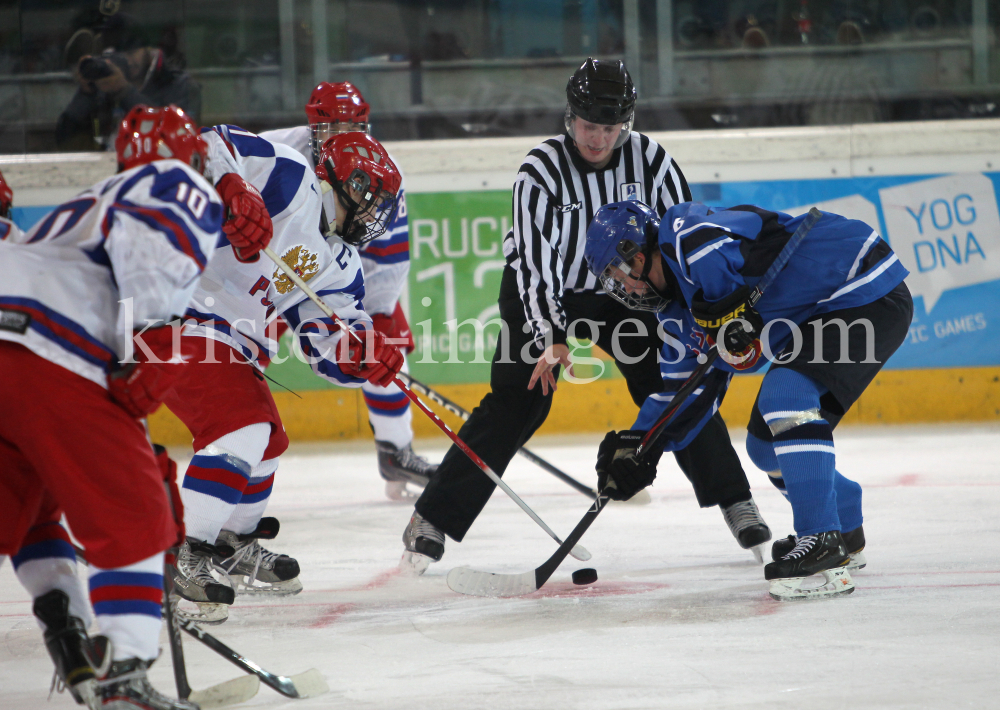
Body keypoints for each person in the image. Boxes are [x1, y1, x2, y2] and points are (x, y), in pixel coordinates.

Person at [401, 58, 771, 573]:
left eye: (609, 127)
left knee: (672, 387)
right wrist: (550, 335)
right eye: (588, 125)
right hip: (548, 293)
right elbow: (532, 263)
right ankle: (432, 518)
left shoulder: (652, 162)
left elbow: (686, 241)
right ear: (569, 117)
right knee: (517, 401)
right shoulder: (540, 170)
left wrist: (696, 318)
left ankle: (734, 499)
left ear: (627, 123)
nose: (597, 138)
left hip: (627, 294)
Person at [0, 104, 222, 709]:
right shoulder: (175, 182)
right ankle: (123, 673)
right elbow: (154, 248)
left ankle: (66, 629)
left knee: (29, 506)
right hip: (56, 351)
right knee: (135, 517)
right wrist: (147, 342)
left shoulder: (89, 200)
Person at [583, 199, 912, 600]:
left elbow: (708, 242)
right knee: (764, 446)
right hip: (820, 316)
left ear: (636, 248)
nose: (626, 287)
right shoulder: (674, 318)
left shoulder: (683, 233)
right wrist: (641, 446)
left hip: (860, 286)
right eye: (614, 281)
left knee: (786, 396)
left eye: (621, 273)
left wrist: (724, 300)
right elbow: (682, 395)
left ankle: (820, 539)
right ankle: (844, 521)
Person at [166, 125, 405, 623]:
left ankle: (231, 543)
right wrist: (229, 187)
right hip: (173, 309)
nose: (373, 217)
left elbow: (326, 344)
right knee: (242, 428)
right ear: (347, 184)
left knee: (267, 442)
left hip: (228, 339)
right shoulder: (287, 175)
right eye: (371, 201)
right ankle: (183, 551)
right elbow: (202, 142)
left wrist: (358, 356)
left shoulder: (340, 262)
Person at [260, 81, 435, 501]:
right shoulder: (275, 151)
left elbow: (389, 252)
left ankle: (396, 449)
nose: (342, 135)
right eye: (332, 127)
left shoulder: (380, 166)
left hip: (332, 279)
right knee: (237, 358)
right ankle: (242, 451)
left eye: (352, 125)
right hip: (264, 278)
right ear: (312, 125)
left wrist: (375, 315)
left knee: (383, 340)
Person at [57, 15, 201, 151]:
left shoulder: (178, 84)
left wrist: (124, 91)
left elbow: (177, 139)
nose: (129, 61)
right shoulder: (103, 81)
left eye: (132, 53)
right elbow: (64, 139)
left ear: (148, 49)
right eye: (120, 56)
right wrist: (85, 94)